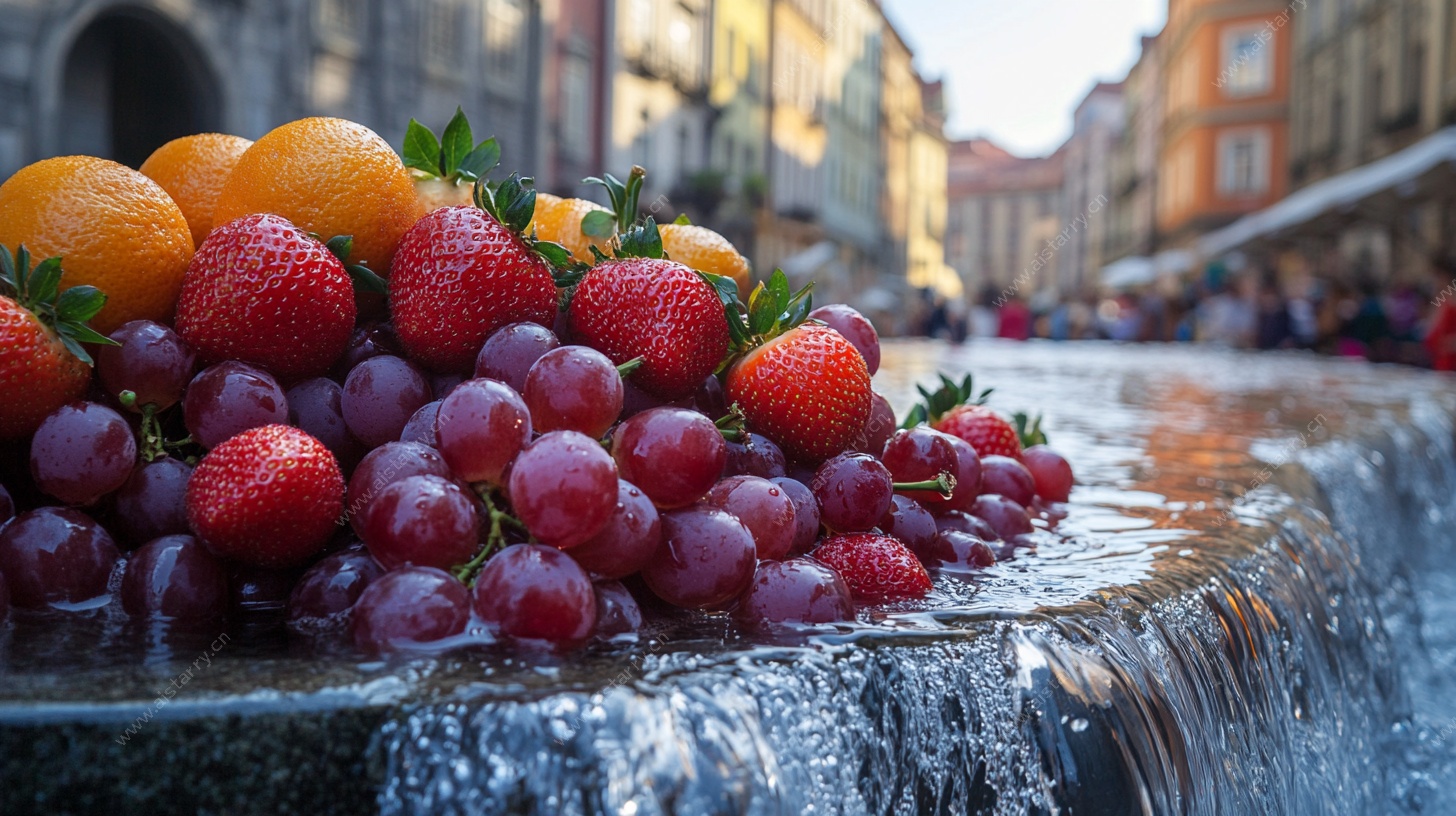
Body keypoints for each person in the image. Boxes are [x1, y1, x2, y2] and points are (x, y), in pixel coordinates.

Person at [1425, 259, 1456, 372]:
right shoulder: (1440, 299)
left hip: (1451, 362)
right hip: (1440, 361)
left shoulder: (1451, 300)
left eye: (1436, 277)